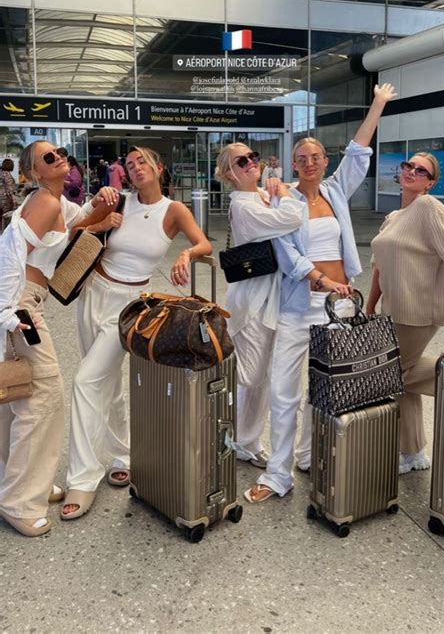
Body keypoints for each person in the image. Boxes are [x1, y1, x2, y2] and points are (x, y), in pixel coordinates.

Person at [245, 83, 397, 503]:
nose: (309, 162)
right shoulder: (284, 201)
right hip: (299, 305)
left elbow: (359, 150)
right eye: (301, 158)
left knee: (327, 387)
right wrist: (320, 278)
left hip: (339, 307)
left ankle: (309, 455)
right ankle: (278, 474)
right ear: (292, 164)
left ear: (324, 161)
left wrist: (378, 104)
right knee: (284, 390)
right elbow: (286, 254)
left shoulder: (335, 191)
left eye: (316, 156)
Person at [62, 146, 212, 521]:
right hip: (94, 292)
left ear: (159, 168)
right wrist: (100, 221)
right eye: (130, 165)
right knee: (106, 381)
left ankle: (82, 478)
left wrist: (185, 255)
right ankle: (122, 452)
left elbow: (204, 243)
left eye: (142, 161)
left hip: (129, 306)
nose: (135, 167)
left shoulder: (173, 210)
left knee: (85, 381)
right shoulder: (118, 202)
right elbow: (73, 233)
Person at [0, 142, 118, 537]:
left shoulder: (53, 200)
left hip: (23, 305)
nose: (60, 158)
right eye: (49, 157)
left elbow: (80, 221)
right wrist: (8, 312)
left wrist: (101, 204)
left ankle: (19, 483)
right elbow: (10, 254)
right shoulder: (45, 202)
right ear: (33, 172)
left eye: (62, 152)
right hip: (21, 308)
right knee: (44, 399)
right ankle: (20, 501)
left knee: (17, 397)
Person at [368, 152, 444, 474]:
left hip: (419, 307)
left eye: (421, 170)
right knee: (401, 377)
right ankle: (412, 452)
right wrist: (371, 304)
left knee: (393, 373)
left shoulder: (429, 207)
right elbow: (378, 268)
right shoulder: (393, 218)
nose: (412, 171)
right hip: (394, 308)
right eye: (408, 166)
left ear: (431, 182)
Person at [214, 144, 305, 470]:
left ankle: (247, 442)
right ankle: (227, 437)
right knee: (249, 377)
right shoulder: (244, 205)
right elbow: (293, 217)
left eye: (254, 157)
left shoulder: (259, 197)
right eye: (243, 161)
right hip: (251, 303)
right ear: (229, 173)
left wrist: (279, 189)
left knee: (261, 377)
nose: (252, 163)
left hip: (268, 300)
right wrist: (283, 192)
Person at [0, 159, 17, 223]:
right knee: (6, 219)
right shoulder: (6, 174)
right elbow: (10, 191)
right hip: (5, 201)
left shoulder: (1, 173)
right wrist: (14, 204)